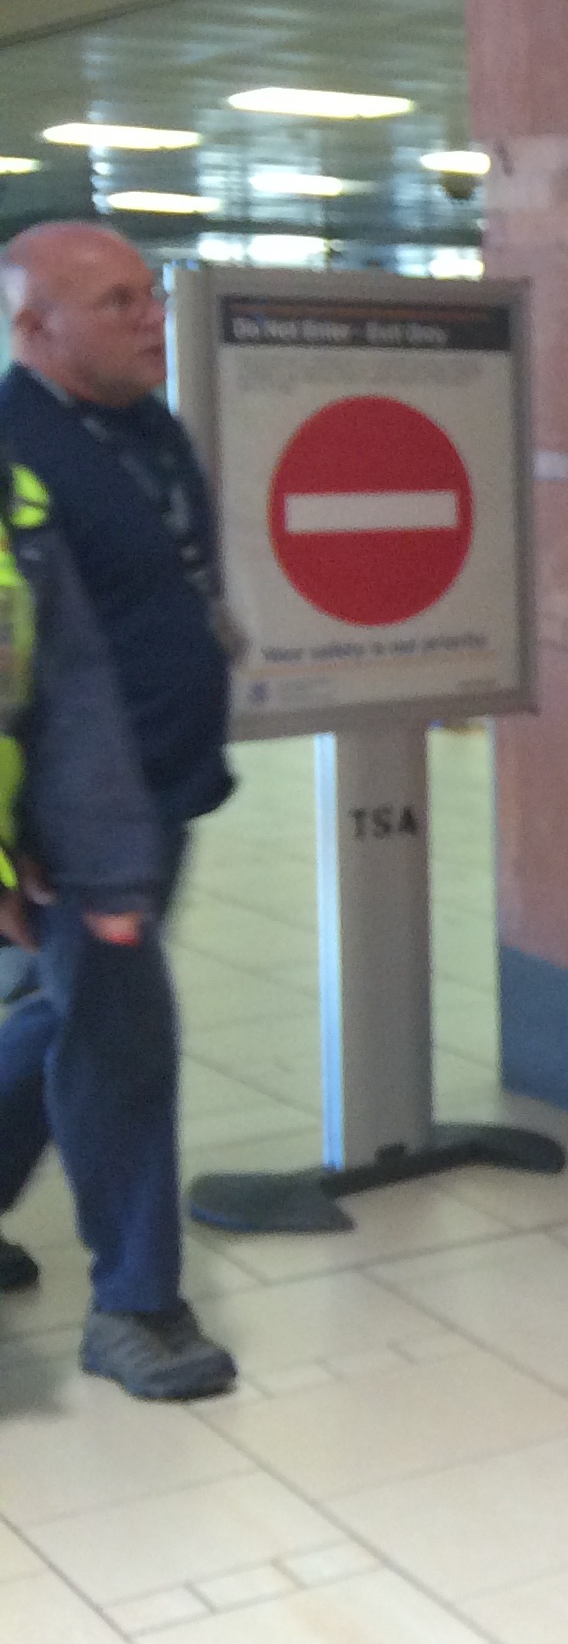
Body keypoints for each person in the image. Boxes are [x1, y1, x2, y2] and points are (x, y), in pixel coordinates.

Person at [0, 221, 239, 1401]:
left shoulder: (148, 428)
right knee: (122, 1042)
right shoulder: (10, 455)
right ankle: (136, 1303)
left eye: (148, 292)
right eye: (114, 301)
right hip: (78, 825)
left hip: (164, 790)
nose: (150, 316)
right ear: (34, 327)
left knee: (67, 1015)